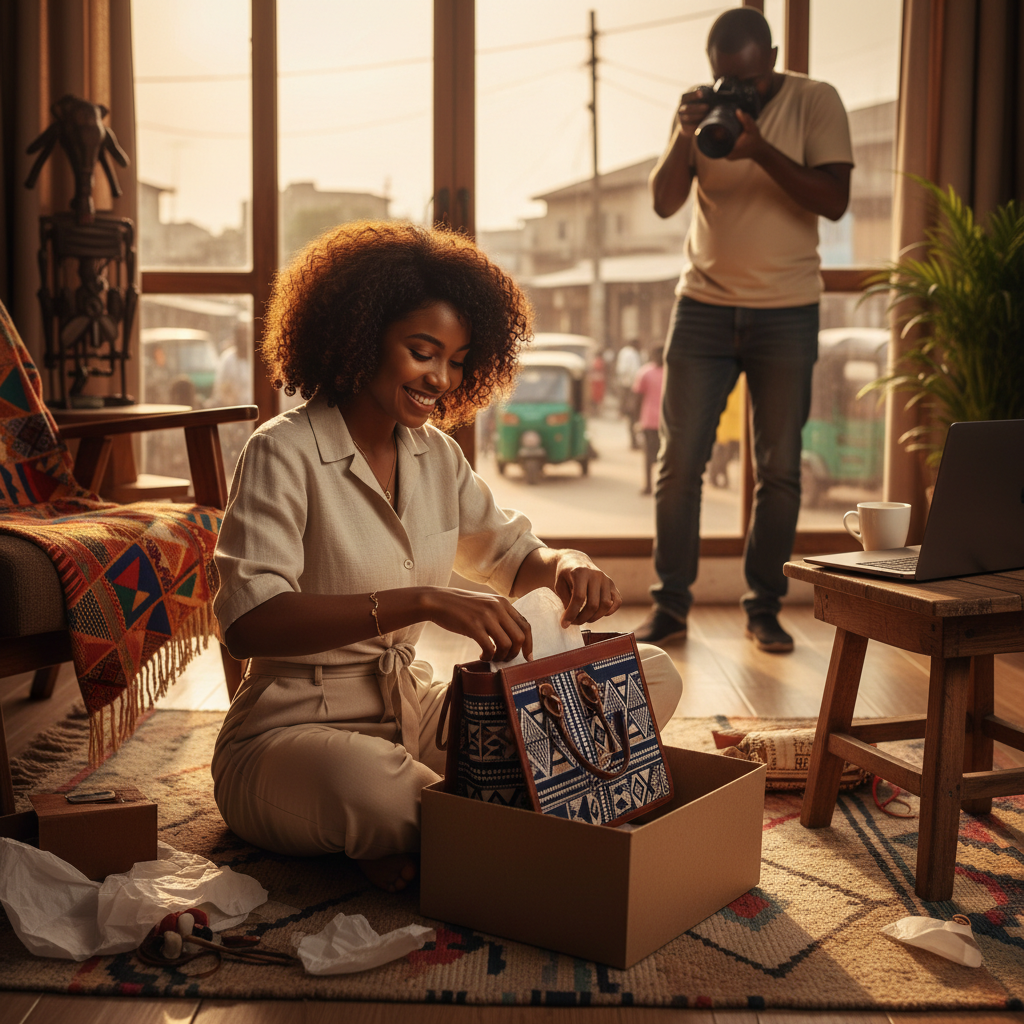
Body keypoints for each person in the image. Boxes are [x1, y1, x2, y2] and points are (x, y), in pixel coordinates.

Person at [211, 221, 683, 893]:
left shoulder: (434, 455)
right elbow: (250, 623)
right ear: (359, 334)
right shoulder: (281, 450)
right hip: (290, 736)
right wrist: (426, 600)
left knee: (648, 676)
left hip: (413, 715)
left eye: (458, 360)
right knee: (368, 782)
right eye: (422, 351)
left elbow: (516, 556)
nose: (441, 377)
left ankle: (429, 829)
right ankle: (502, 813)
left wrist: (568, 564)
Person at [636, 7, 853, 653]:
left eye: (749, 82)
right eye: (726, 79)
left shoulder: (817, 101)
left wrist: (760, 148)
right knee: (678, 464)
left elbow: (833, 199)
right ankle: (671, 607)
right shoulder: (703, 110)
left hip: (787, 309)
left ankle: (764, 607)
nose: (737, 93)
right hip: (702, 305)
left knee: (780, 467)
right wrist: (683, 134)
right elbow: (664, 201)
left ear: (774, 57)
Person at [632, 345, 665, 496]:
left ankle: (660, 485)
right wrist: (637, 419)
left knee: (662, 456)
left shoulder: (671, 373)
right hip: (651, 421)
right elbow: (638, 397)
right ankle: (649, 485)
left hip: (665, 421)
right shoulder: (645, 373)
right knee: (649, 455)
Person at [615, 340, 643, 449]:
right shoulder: (632, 354)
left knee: (632, 417)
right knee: (633, 415)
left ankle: (634, 441)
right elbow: (632, 371)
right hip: (632, 388)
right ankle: (634, 442)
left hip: (628, 387)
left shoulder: (624, 352)